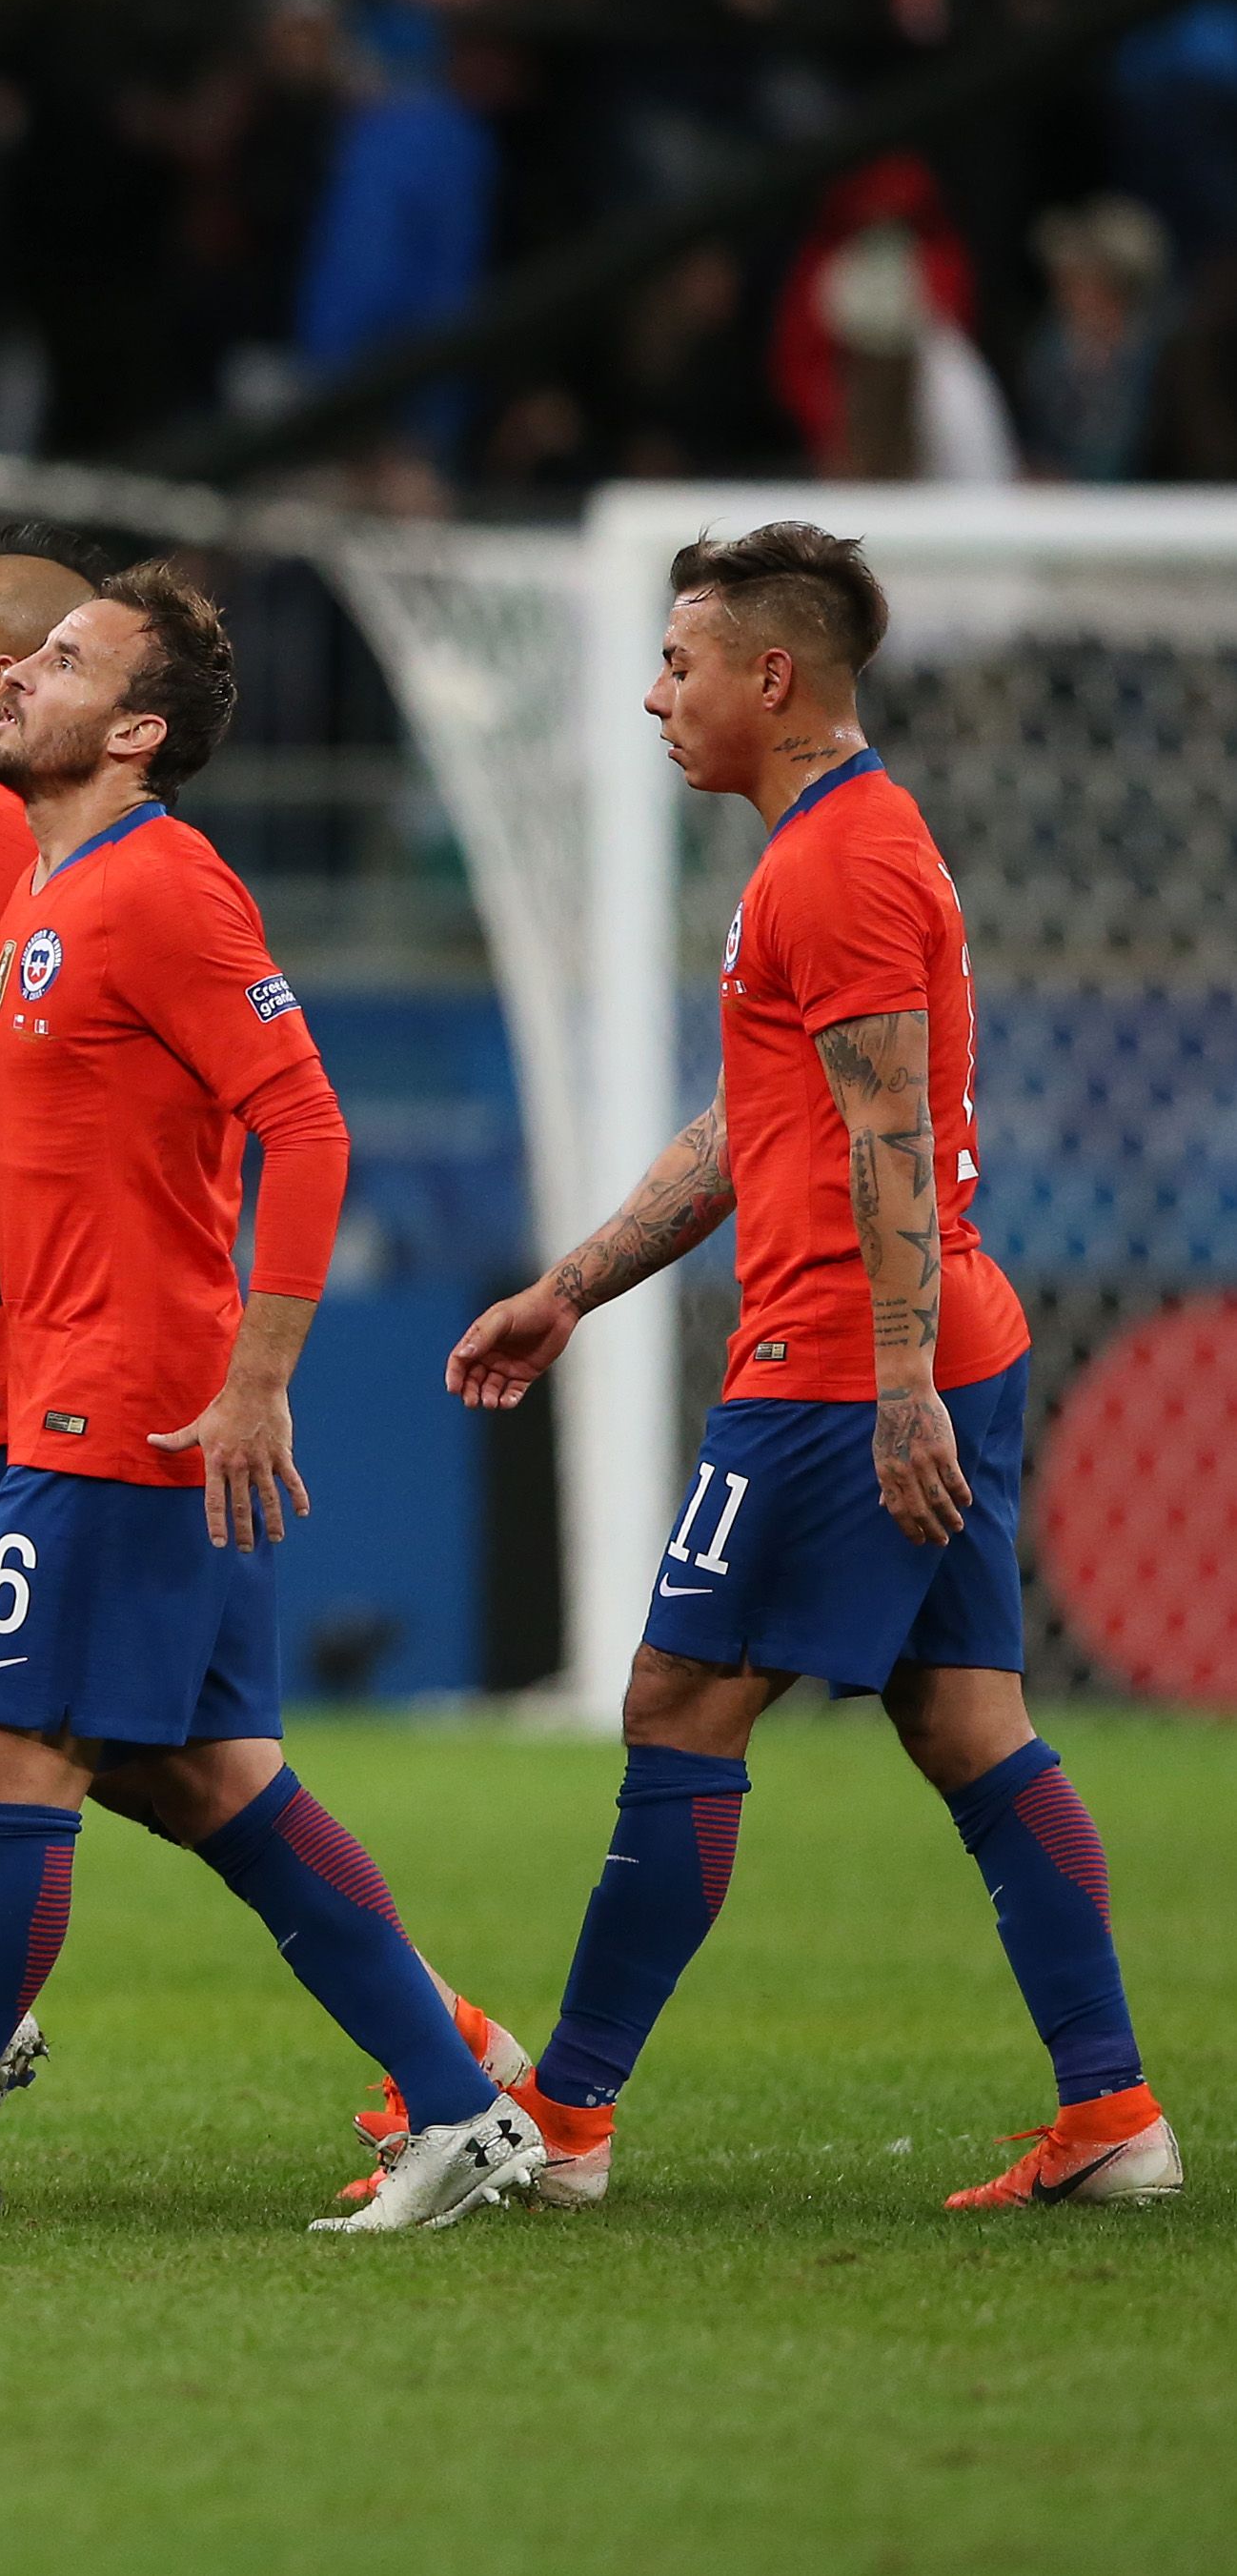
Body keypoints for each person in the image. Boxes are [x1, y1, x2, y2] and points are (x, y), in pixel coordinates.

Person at [0, 563, 544, 2235]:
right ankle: (465, 2104)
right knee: (212, 1778)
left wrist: (260, 1371)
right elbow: (116, 1152)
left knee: (16, 1768)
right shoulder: (54, 886)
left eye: (59, 660)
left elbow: (307, 1124)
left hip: (124, 1412)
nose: (14, 679)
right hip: (69, 1369)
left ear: (136, 727)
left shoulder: (164, 889)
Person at [447, 522, 1179, 2214]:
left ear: (771, 677)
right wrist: (571, 1286)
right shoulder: (825, 848)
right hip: (918, 1344)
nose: (653, 695)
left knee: (677, 1702)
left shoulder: (836, 863)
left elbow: (888, 1126)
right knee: (964, 1717)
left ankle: (565, 2116)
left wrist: (898, 1378)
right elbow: (747, 1127)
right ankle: (1114, 2109)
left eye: (681, 664)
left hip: (846, 1361)